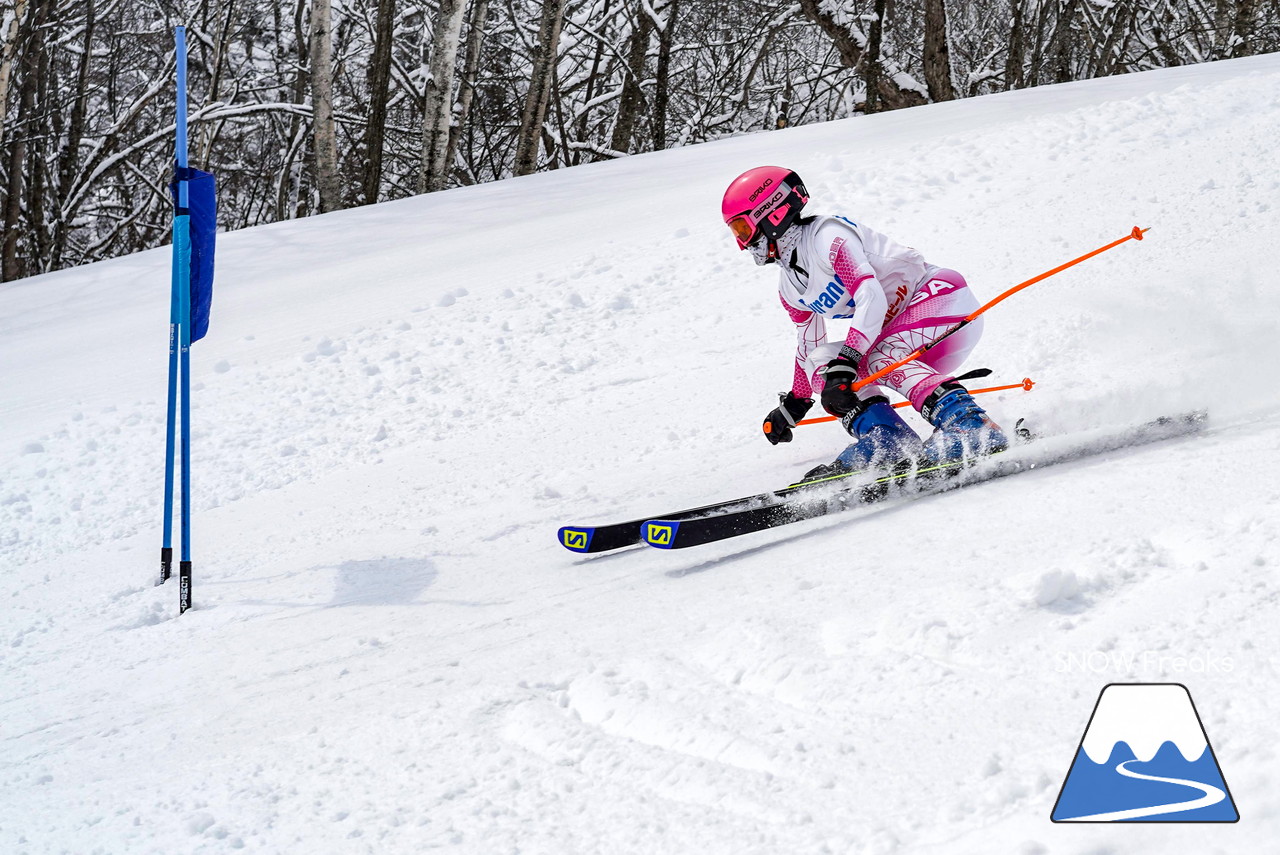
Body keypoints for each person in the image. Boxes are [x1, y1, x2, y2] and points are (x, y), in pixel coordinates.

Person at [721, 165, 1008, 476]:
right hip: (902, 336)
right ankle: (887, 439)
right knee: (820, 362)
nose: (743, 243)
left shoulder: (827, 237)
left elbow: (870, 296)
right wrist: (796, 401)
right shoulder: (789, 286)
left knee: (878, 354)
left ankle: (970, 425)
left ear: (772, 212)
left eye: (743, 229)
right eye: (737, 233)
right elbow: (809, 343)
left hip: (940, 301)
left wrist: (847, 362)